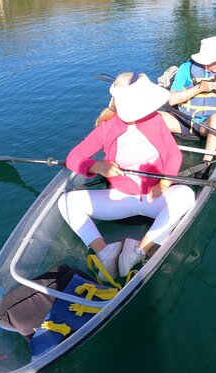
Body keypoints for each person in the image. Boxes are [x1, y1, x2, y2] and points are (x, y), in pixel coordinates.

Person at [58, 72, 195, 281]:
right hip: (120, 199)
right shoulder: (106, 128)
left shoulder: (155, 120)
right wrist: (98, 167)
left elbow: (173, 153)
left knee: (185, 195)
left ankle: (138, 250)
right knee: (66, 202)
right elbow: (73, 158)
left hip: (154, 197)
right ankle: (104, 251)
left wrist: (165, 182)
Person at [159, 36, 216, 165]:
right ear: (207, 61)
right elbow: (172, 100)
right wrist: (199, 88)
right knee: (151, 116)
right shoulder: (185, 69)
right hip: (182, 121)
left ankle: (206, 163)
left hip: (205, 126)